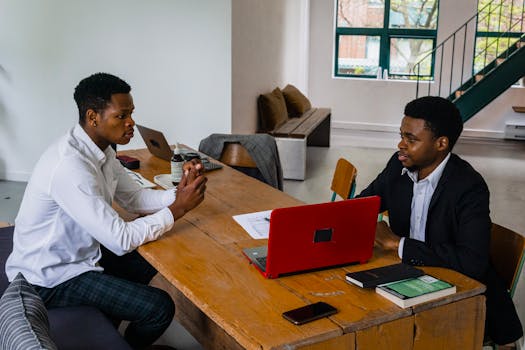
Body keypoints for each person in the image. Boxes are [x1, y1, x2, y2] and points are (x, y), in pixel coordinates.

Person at [5, 72, 207, 349]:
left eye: (132, 113)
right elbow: (120, 239)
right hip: (49, 278)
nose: (131, 122)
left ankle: (108, 320)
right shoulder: (70, 166)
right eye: (122, 116)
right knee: (159, 307)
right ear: (93, 117)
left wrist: (180, 194)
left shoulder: (100, 150)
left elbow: (134, 198)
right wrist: (177, 209)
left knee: (150, 257)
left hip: (79, 256)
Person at [358, 96, 522, 346]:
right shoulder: (398, 164)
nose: (401, 144)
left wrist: (397, 244)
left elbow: (472, 262)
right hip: (407, 277)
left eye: (411, 139)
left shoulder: (469, 187)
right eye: (401, 135)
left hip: (458, 295)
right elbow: (364, 204)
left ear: (441, 143)